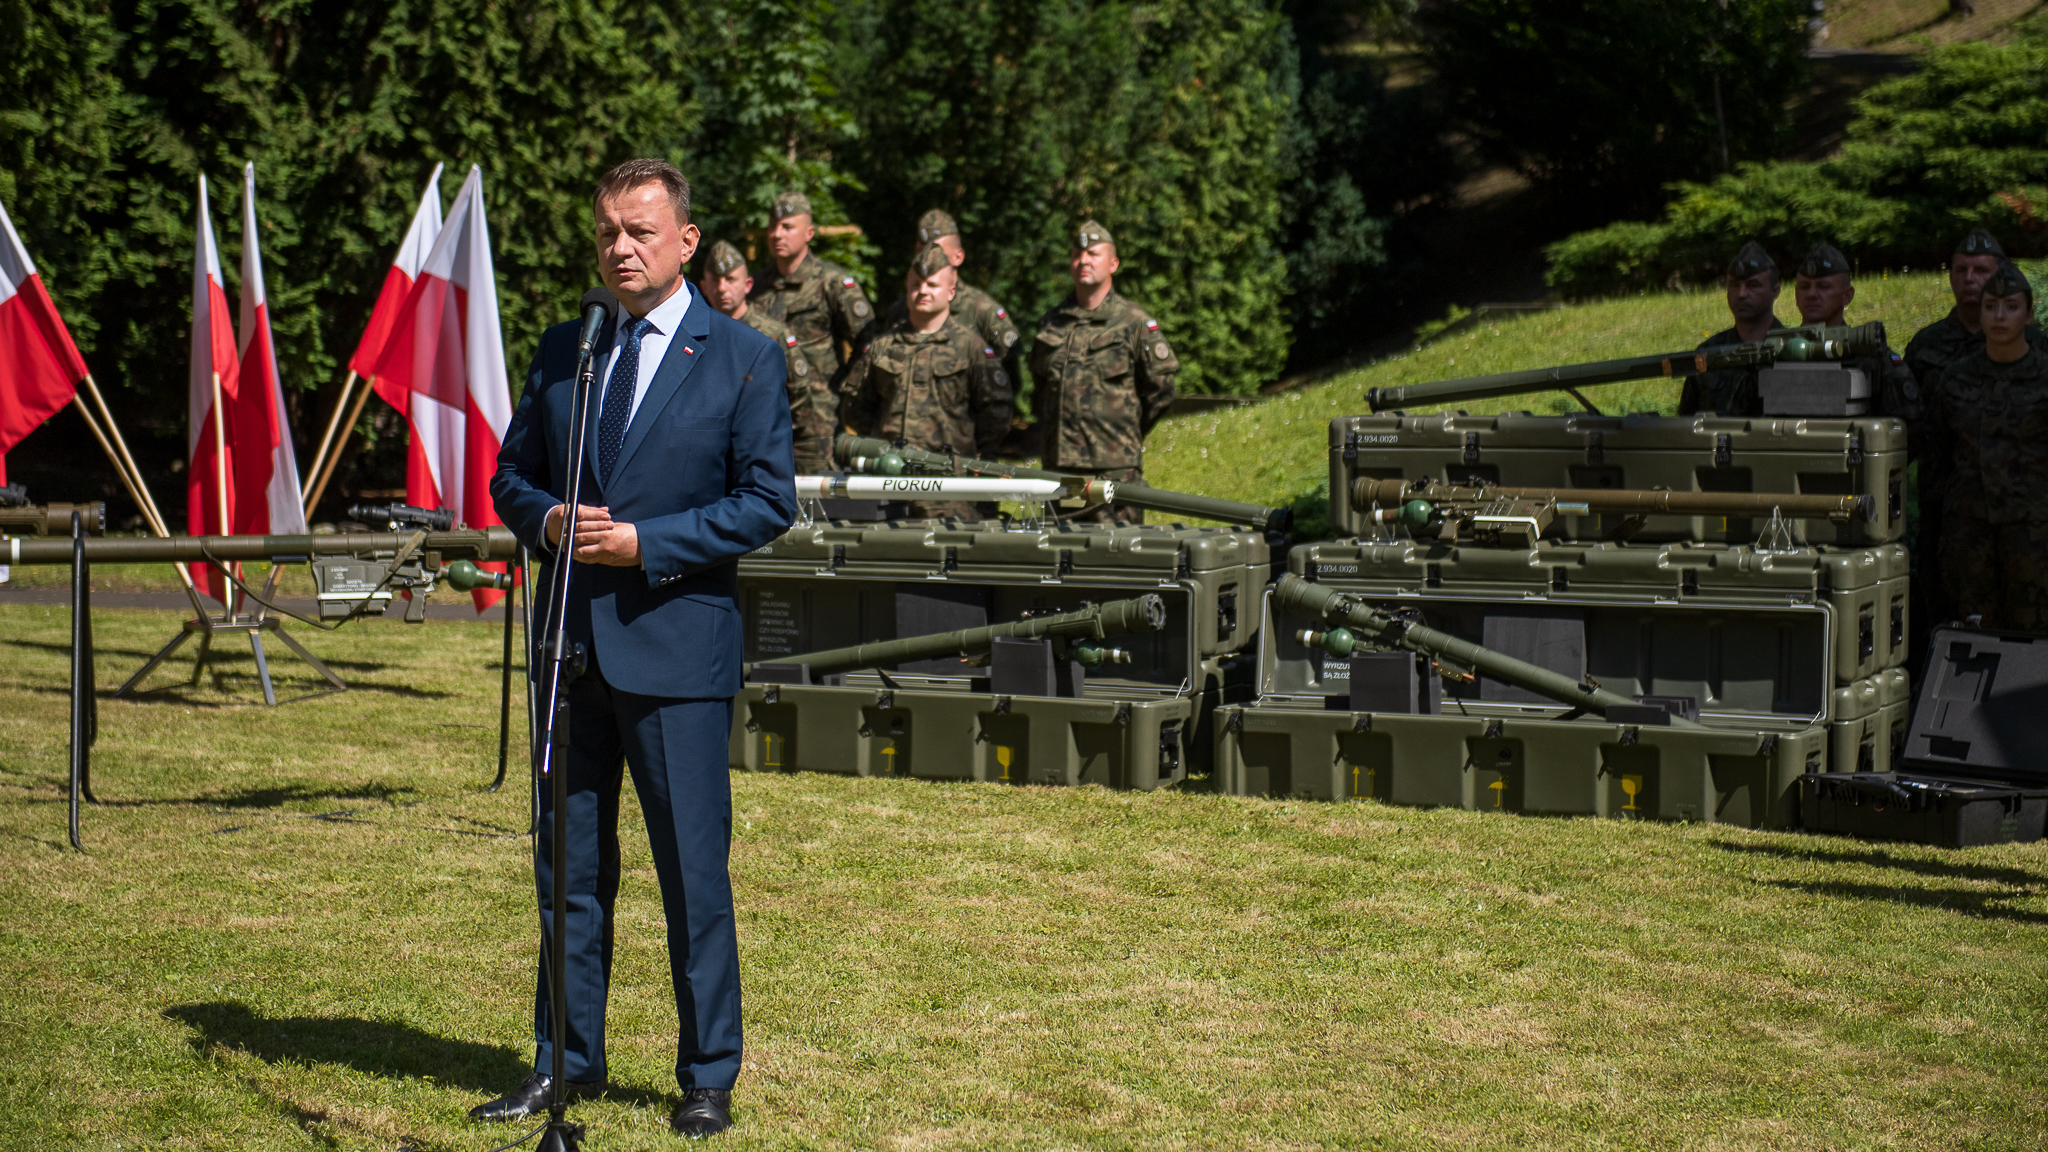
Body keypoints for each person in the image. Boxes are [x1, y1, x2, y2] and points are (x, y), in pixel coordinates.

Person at [483, 159, 798, 1139]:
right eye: (609, 231)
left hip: (676, 656)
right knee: (567, 874)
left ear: (686, 241)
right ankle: (561, 1062)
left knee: (690, 873)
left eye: (642, 232)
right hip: (572, 652)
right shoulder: (564, 349)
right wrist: (544, 524)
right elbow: (509, 476)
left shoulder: (744, 358)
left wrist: (646, 545)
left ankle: (707, 1072)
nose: (621, 248)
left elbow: (766, 502)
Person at [839, 242, 1012, 519]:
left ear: (951, 291)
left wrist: (960, 454)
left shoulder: (972, 348)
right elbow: (856, 407)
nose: (923, 292)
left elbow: (996, 415)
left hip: (948, 486)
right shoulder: (882, 347)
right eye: (916, 285)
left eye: (932, 285)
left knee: (949, 557)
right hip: (888, 481)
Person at [1925, 260, 2048, 632]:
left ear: (2029, 313)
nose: (1999, 316)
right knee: (1974, 640)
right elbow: (1936, 463)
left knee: (2034, 647)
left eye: (2011, 307)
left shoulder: (2045, 378)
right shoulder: (1956, 379)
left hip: (2034, 539)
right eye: (1990, 306)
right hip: (1969, 537)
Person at [1028, 220, 1177, 524]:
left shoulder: (1133, 323)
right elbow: (1041, 388)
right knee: (1059, 556)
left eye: (1093, 253)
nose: (1083, 260)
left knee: (1116, 555)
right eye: (1077, 254)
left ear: (1113, 263)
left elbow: (1161, 390)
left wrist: (1124, 436)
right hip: (1060, 469)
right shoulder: (1051, 323)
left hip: (1113, 468)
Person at [699, 239, 829, 473]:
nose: (722, 289)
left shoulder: (771, 335)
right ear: (704, 286)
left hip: (761, 451)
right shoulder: (696, 333)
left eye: (730, 280)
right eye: (714, 281)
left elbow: (798, 396)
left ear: (748, 285)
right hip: (710, 455)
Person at [878, 209, 1022, 406]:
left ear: (958, 257)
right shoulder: (900, 311)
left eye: (937, 252)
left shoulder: (981, 311)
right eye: (922, 253)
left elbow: (1008, 381)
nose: (928, 260)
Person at [750, 190, 874, 406]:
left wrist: (849, 390)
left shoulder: (831, 282)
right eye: (772, 226)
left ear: (809, 233)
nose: (777, 234)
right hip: (763, 410)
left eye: (787, 227)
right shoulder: (755, 285)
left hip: (818, 415)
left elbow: (867, 339)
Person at [1903, 228, 2048, 389]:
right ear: (1951, 279)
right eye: (1961, 270)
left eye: (1981, 270)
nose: (1969, 278)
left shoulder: (2032, 342)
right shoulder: (1926, 343)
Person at [1791, 241, 1920, 419]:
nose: (1812, 294)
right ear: (1796, 294)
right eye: (1805, 287)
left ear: (1847, 295)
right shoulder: (1782, 353)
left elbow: (1904, 431)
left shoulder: (1874, 360)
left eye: (1823, 286)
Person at [1678, 241, 1787, 417]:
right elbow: (1686, 421)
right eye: (1734, 285)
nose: (1741, 294)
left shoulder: (1792, 352)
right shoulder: (1708, 353)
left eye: (1753, 285)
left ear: (1775, 291)